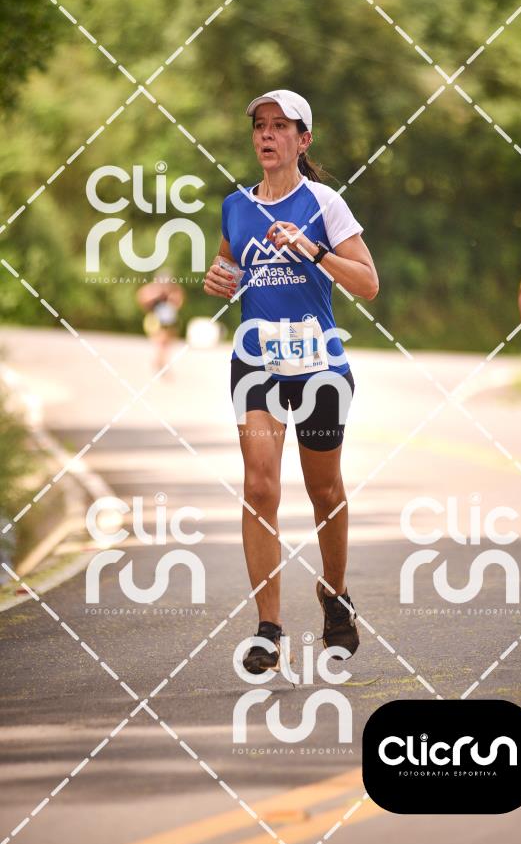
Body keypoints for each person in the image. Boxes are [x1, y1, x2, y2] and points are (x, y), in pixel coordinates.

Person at [203, 89, 378, 673]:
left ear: (304, 141)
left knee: (323, 490)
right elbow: (230, 264)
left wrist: (313, 250)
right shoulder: (235, 206)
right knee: (259, 489)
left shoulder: (325, 203)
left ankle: (335, 593)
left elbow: (368, 284)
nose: (267, 134)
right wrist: (219, 278)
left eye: (281, 126)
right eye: (260, 125)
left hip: (320, 368)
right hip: (256, 365)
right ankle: (268, 630)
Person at [137, 269, 184, 374]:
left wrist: (171, 298)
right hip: (155, 320)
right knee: (159, 342)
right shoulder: (152, 289)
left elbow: (178, 303)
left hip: (170, 320)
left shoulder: (174, 290)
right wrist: (156, 295)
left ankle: (160, 363)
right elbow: (142, 299)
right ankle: (159, 364)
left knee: (166, 344)